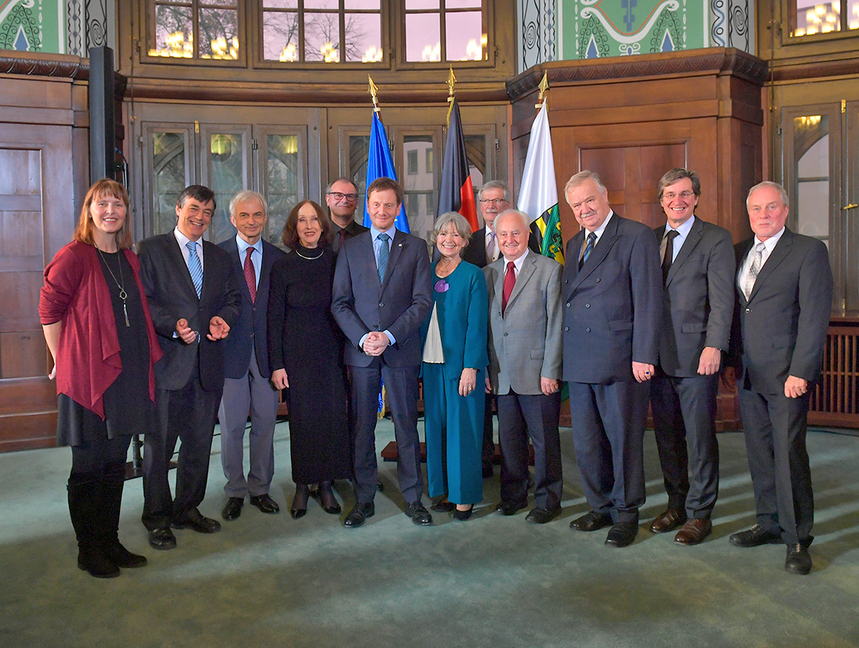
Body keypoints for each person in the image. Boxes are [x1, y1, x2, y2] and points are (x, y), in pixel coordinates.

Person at [39, 179, 162, 578]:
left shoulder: (129, 259)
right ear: (89, 211)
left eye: (118, 204)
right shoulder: (74, 255)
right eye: (102, 203)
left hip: (125, 376)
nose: (111, 210)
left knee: (115, 464)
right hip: (88, 379)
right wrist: (63, 359)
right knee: (88, 466)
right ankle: (87, 548)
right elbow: (48, 311)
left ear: (126, 213)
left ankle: (109, 539)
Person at [727, 181, 832, 575]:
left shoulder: (808, 251)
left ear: (786, 210)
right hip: (750, 373)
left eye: (772, 207)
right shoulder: (740, 251)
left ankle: (797, 539)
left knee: (788, 455)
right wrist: (730, 360)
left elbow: (813, 316)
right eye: (756, 208)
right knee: (759, 451)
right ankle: (768, 523)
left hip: (788, 375)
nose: (763, 214)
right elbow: (739, 312)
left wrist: (801, 371)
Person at [137, 185, 241, 550]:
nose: (200, 217)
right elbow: (144, 301)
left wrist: (222, 319)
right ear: (178, 208)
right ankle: (158, 518)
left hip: (207, 364)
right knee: (160, 448)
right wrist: (172, 325)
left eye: (207, 212)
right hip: (168, 365)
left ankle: (187, 509)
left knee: (197, 446)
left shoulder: (218, 256)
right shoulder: (151, 249)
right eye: (194, 208)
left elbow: (232, 299)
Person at [562, 170, 662, 548]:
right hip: (580, 359)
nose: (584, 209)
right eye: (576, 205)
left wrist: (643, 355)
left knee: (622, 441)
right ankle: (599, 505)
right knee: (586, 442)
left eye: (589, 200)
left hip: (622, 360)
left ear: (605, 196)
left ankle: (626, 512)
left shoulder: (635, 236)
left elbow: (649, 300)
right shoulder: (574, 244)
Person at [331, 177, 433, 528]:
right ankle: (363, 499)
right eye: (376, 204)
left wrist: (388, 336)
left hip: (401, 350)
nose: (382, 210)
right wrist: (364, 338)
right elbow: (340, 303)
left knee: (406, 425)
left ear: (398, 208)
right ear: (367, 207)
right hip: (361, 354)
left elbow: (422, 302)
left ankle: (412, 498)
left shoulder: (416, 247)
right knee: (362, 427)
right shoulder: (350, 247)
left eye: (389, 205)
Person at [648, 169, 735, 545]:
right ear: (662, 200)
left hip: (698, 357)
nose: (676, 201)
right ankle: (676, 504)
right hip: (656, 358)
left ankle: (701, 514)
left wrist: (714, 346)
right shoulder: (650, 240)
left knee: (700, 438)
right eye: (669, 194)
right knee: (667, 438)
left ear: (696, 197)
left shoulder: (715, 238)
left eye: (684, 194)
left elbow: (722, 300)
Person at [268, 200, 352, 519]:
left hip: (332, 355)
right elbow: (273, 318)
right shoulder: (282, 266)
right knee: (303, 424)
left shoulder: (336, 261)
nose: (308, 225)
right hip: (296, 359)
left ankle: (327, 485)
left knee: (331, 420)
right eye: (301, 220)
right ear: (294, 228)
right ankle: (304, 486)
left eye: (313, 219)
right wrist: (277, 364)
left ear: (322, 225)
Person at [485, 209, 564, 524]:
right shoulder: (487, 273)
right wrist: (487, 370)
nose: (509, 240)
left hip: (537, 373)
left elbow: (556, 323)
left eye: (515, 233)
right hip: (501, 374)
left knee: (544, 441)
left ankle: (548, 500)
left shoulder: (548, 270)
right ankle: (513, 495)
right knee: (510, 439)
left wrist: (551, 370)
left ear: (527, 234)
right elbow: (487, 328)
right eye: (503, 234)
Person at [463, 180, 539, 478]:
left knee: (518, 426)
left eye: (498, 200)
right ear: (479, 206)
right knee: (482, 418)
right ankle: (483, 468)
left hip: (521, 352)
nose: (492, 206)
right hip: (483, 347)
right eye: (486, 201)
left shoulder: (527, 241)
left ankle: (522, 476)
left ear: (508, 204)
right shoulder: (467, 242)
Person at [218, 191, 286, 522]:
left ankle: (260, 488)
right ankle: (234, 490)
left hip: (267, 356)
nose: (251, 221)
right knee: (231, 427)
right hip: (229, 354)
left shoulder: (278, 258)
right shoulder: (217, 256)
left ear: (265, 218)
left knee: (265, 423)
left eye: (257, 215)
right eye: (244, 216)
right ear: (233, 220)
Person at [422, 212, 488, 521]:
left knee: (463, 433)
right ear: (436, 238)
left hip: (461, 367)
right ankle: (444, 490)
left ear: (464, 241)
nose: (449, 239)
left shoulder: (473, 274)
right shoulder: (425, 272)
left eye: (456, 235)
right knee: (436, 429)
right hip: (430, 365)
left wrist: (471, 367)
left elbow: (477, 326)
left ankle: (464, 497)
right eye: (444, 234)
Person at [326, 178, 368, 253]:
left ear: (356, 202)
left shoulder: (368, 237)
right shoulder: (318, 236)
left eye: (350, 196)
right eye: (338, 195)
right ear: (328, 200)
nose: (344, 200)